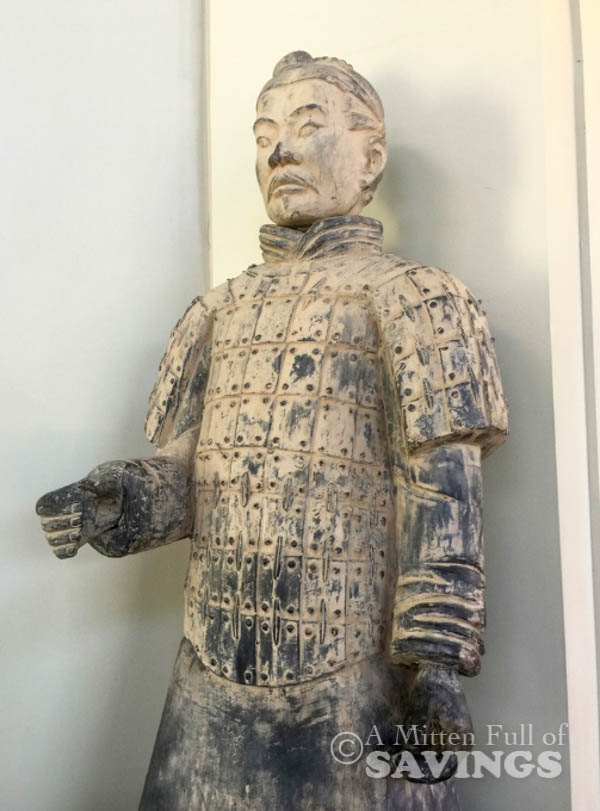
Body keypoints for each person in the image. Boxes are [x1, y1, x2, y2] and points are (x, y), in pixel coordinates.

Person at [37, 51, 508, 810]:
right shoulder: (218, 309)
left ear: (371, 156)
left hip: (355, 678)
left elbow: (441, 498)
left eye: (307, 126)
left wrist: (438, 670)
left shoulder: (419, 298)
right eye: (264, 136)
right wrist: (119, 500)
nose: (279, 150)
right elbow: (191, 478)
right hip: (208, 668)